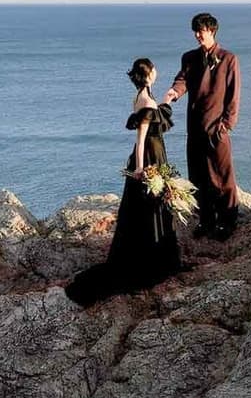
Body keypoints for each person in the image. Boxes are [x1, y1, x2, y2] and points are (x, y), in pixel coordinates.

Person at [65, 57, 184, 305]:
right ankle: (151, 259)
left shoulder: (144, 95)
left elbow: (155, 115)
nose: (156, 70)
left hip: (155, 154)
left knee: (152, 206)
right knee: (148, 207)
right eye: (154, 68)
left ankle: (158, 254)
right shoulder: (143, 99)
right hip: (149, 157)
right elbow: (140, 139)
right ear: (149, 73)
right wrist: (140, 168)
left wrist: (167, 99)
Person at [164, 11, 241, 239]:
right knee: (198, 177)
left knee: (223, 177)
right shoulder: (189, 58)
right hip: (195, 128)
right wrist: (174, 93)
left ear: (212, 31)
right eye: (195, 31)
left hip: (217, 130)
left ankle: (228, 222)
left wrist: (226, 126)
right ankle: (206, 220)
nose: (198, 35)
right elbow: (182, 80)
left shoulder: (229, 59)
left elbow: (233, 96)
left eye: (202, 31)